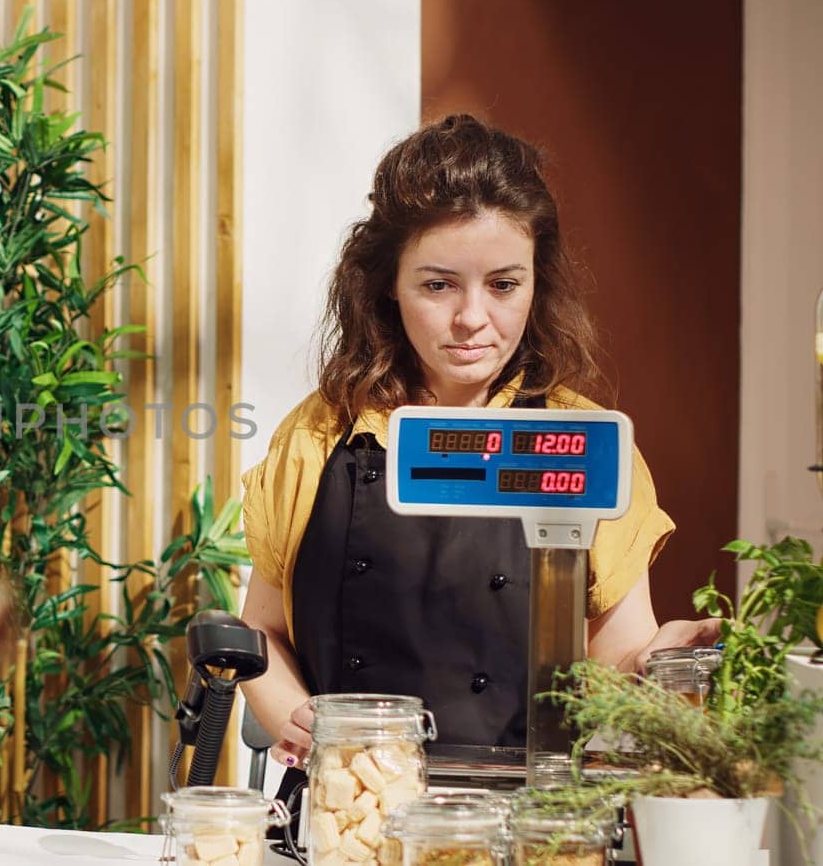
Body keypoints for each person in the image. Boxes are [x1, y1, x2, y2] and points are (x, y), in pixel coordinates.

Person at [238, 114, 719, 785]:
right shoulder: (319, 436)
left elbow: (617, 657)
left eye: (503, 285)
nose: (472, 318)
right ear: (388, 287)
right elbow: (260, 631)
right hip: (347, 809)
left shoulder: (583, 441)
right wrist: (290, 710)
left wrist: (657, 661)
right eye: (438, 285)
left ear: (535, 284)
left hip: (531, 821)